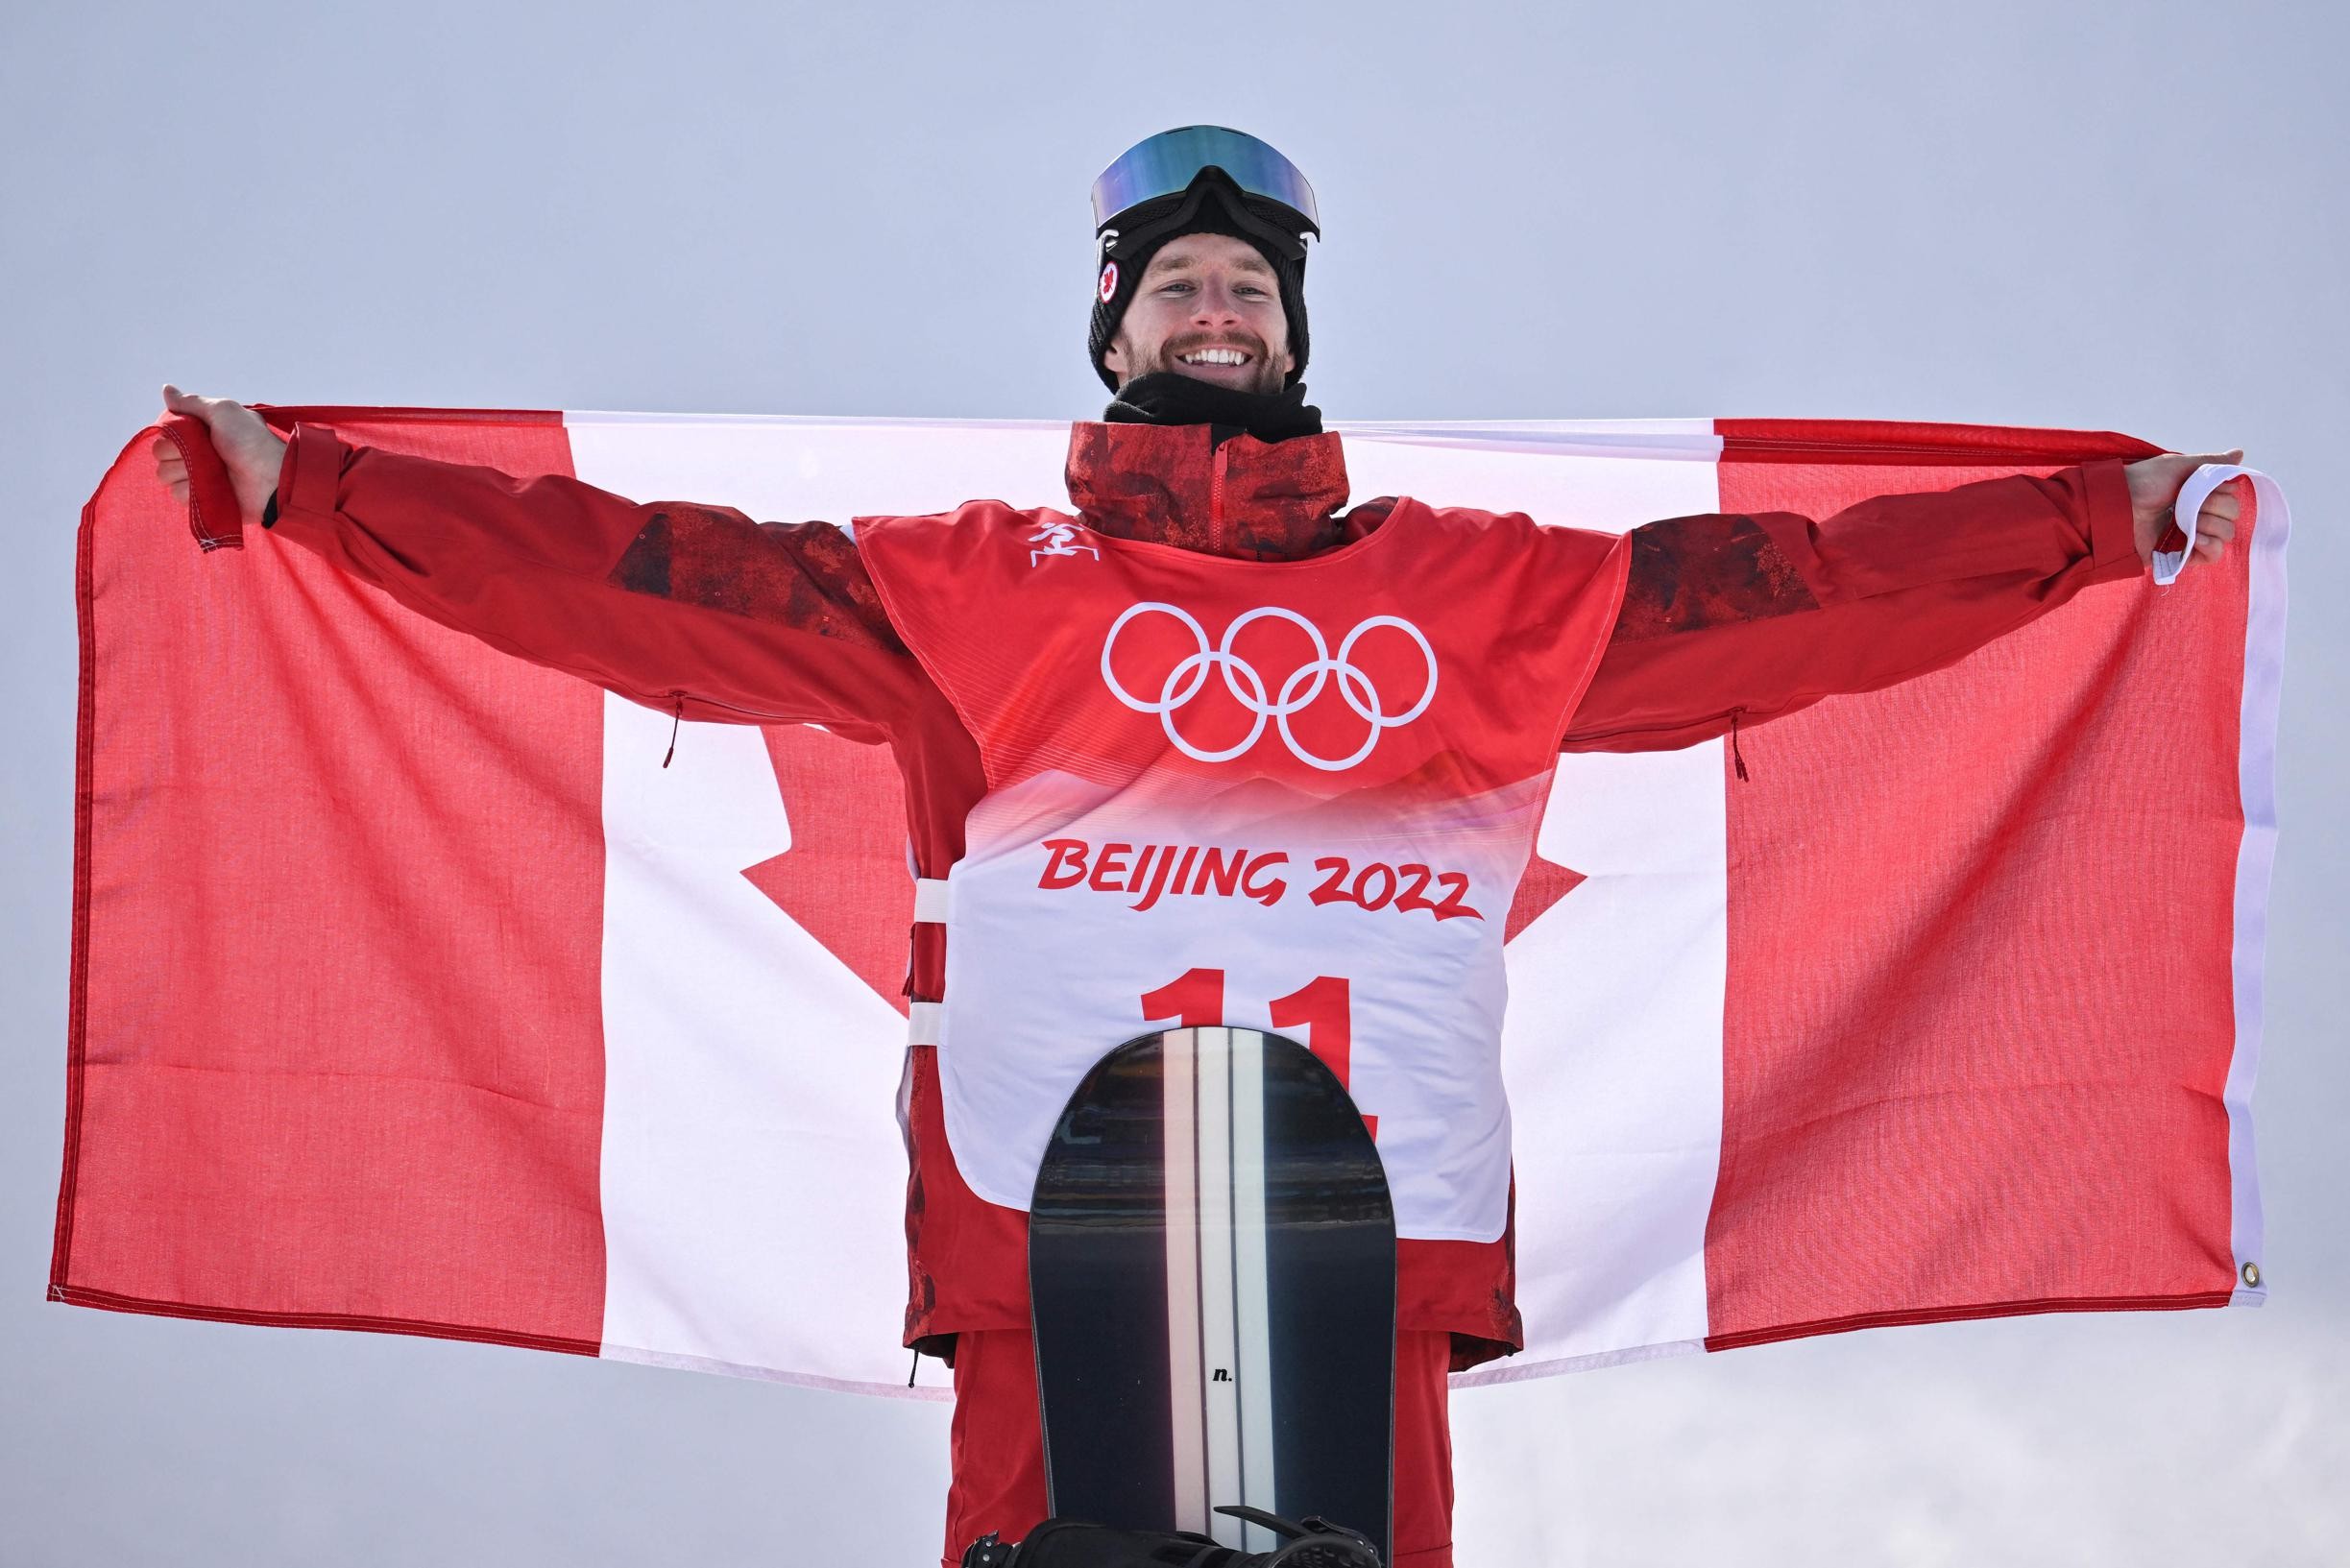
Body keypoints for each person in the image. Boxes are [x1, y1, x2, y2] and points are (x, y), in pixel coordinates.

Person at [155, 125, 2241, 1568]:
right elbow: (641, 575)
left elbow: (1779, 593)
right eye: (1179, 284)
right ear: (1116, 326)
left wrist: (2080, 527)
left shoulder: (1470, 597)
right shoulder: (980, 582)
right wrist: (317, 490)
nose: (1217, 307)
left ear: (1293, 328)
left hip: (1362, 1234)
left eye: (1246, 281)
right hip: (1055, 1218)